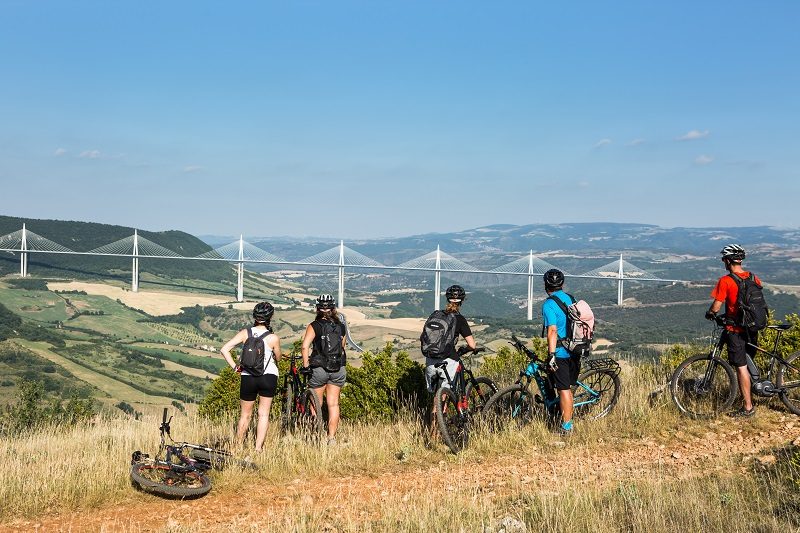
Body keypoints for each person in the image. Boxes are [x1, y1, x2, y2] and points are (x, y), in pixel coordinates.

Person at [705, 244, 762, 417]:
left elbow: (717, 305)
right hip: (752, 328)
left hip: (735, 329)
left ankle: (748, 407)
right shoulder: (754, 277)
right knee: (749, 361)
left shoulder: (726, 280)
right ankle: (756, 390)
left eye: (724, 259)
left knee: (741, 367)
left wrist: (710, 313)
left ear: (728, 261)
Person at [220, 302, 281, 451]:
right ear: (270, 317)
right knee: (263, 414)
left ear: (254, 316)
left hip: (248, 376)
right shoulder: (273, 338)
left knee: (245, 415)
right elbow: (278, 358)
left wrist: (235, 367)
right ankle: (258, 448)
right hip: (268, 377)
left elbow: (224, 349)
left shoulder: (245, 333)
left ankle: (237, 447)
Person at [301, 294, 347, 445]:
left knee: (316, 404)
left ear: (317, 308)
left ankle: (315, 435)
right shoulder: (341, 326)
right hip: (338, 368)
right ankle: (331, 438)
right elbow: (342, 347)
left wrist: (307, 366)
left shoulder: (314, 325)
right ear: (333, 308)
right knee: (333, 404)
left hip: (319, 368)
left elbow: (304, 346)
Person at [541, 269, 580, 435]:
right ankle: (558, 413)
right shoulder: (571, 298)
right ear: (562, 284)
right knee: (566, 386)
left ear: (545, 285)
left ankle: (567, 427)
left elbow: (552, 330)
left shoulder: (549, 304)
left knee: (563, 389)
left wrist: (552, 356)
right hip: (575, 349)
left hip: (561, 352)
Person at [423, 284, 476, 395]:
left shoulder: (436, 315)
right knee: (445, 395)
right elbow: (472, 345)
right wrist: (464, 350)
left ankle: (435, 412)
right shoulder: (460, 319)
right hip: (448, 360)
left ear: (447, 299)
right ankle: (442, 411)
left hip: (430, 359)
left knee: (435, 396)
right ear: (462, 301)